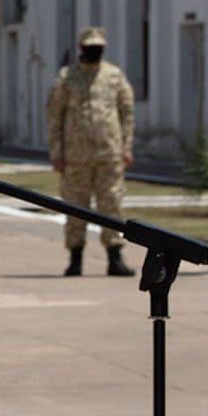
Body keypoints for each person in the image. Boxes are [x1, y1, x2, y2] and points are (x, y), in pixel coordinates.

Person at [46, 27, 135, 277]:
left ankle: (115, 257)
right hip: (76, 156)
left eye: (98, 47)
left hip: (109, 153)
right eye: (90, 47)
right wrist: (57, 153)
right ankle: (75, 257)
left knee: (112, 204)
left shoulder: (114, 76)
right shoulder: (67, 77)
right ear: (81, 49)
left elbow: (126, 112)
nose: (94, 51)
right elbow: (55, 116)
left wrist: (126, 146)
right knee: (76, 206)